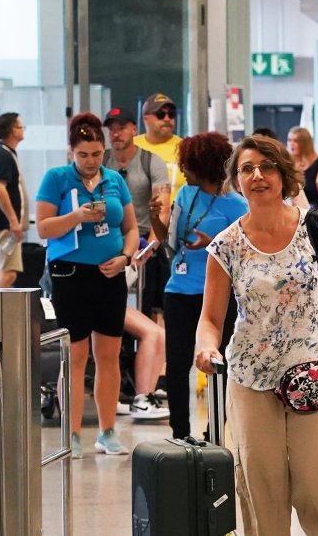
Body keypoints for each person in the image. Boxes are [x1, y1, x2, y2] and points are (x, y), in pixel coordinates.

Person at [194, 135, 318, 536]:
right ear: (236, 180)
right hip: (251, 382)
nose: (257, 175)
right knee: (262, 494)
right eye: (247, 169)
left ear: (283, 173)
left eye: (267, 166)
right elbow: (211, 318)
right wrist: (207, 347)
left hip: (317, 374)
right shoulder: (226, 247)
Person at [36, 113, 138, 458]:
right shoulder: (57, 179)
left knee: (109, 355)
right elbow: (44, 228)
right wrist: (76, 217)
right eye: (84, 155)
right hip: (69, 273)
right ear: (71, 152)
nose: (91, 162)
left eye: (96, 154)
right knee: (76, 355)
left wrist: (125, 256)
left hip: (109, 275)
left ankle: (107, 431)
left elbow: (131, 228)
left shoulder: (114, 180)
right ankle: (73, 432)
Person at [149, 132, 248, 439]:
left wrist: (212, 246)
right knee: (177, 367)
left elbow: (244, 256)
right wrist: (155, 220)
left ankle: (214, 432)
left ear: (202, 167)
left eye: (187, 166)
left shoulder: (237, 206)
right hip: (179, 291)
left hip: (219, 295)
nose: (182, 171)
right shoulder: (185, 195)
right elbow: (172, 241)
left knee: (219, 364)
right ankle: (180, 434)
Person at [104, 106, 172, 420]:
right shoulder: (99, 161)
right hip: (104, 248)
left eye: (121, 127)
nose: (116, 133)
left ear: (134, 128)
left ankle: (143, 387)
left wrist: (153, 243)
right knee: (114, 322)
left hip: (145, 246)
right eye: (111, 127)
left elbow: (162, 206)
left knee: (149, 318)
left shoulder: (150, 161)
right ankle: (118, 388)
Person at [134, 93, 184, 318]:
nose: (167, 119)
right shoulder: (135, 147)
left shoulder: (183, 147)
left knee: (170, 290)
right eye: (160, 114)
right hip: (145, 227)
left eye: (171, 114)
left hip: (178, 227)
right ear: (146, 118)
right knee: (145, 291)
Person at [0, 112, 27, 288]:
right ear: (12, 131)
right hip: (3, 224)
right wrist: (13, 222)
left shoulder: (4, 153)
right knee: (8, 274)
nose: (23, 130)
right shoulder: (3, 155)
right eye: (20, 126)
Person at [288, 126, 318, 209]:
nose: (291, 144)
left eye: (295, 141)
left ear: (304, 144)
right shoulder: (285, 164)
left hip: (310, 213)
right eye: (289, 140)